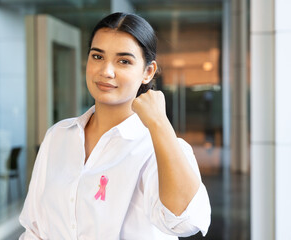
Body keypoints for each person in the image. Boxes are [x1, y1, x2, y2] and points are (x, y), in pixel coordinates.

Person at [19, 12, 211, 239]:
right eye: (97, 57)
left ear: (148, 72)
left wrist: (159, 123)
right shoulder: (58, 136)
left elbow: (183, 222)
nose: (106, 71)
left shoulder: (157, 147)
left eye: (124, 61)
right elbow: (34, 227)